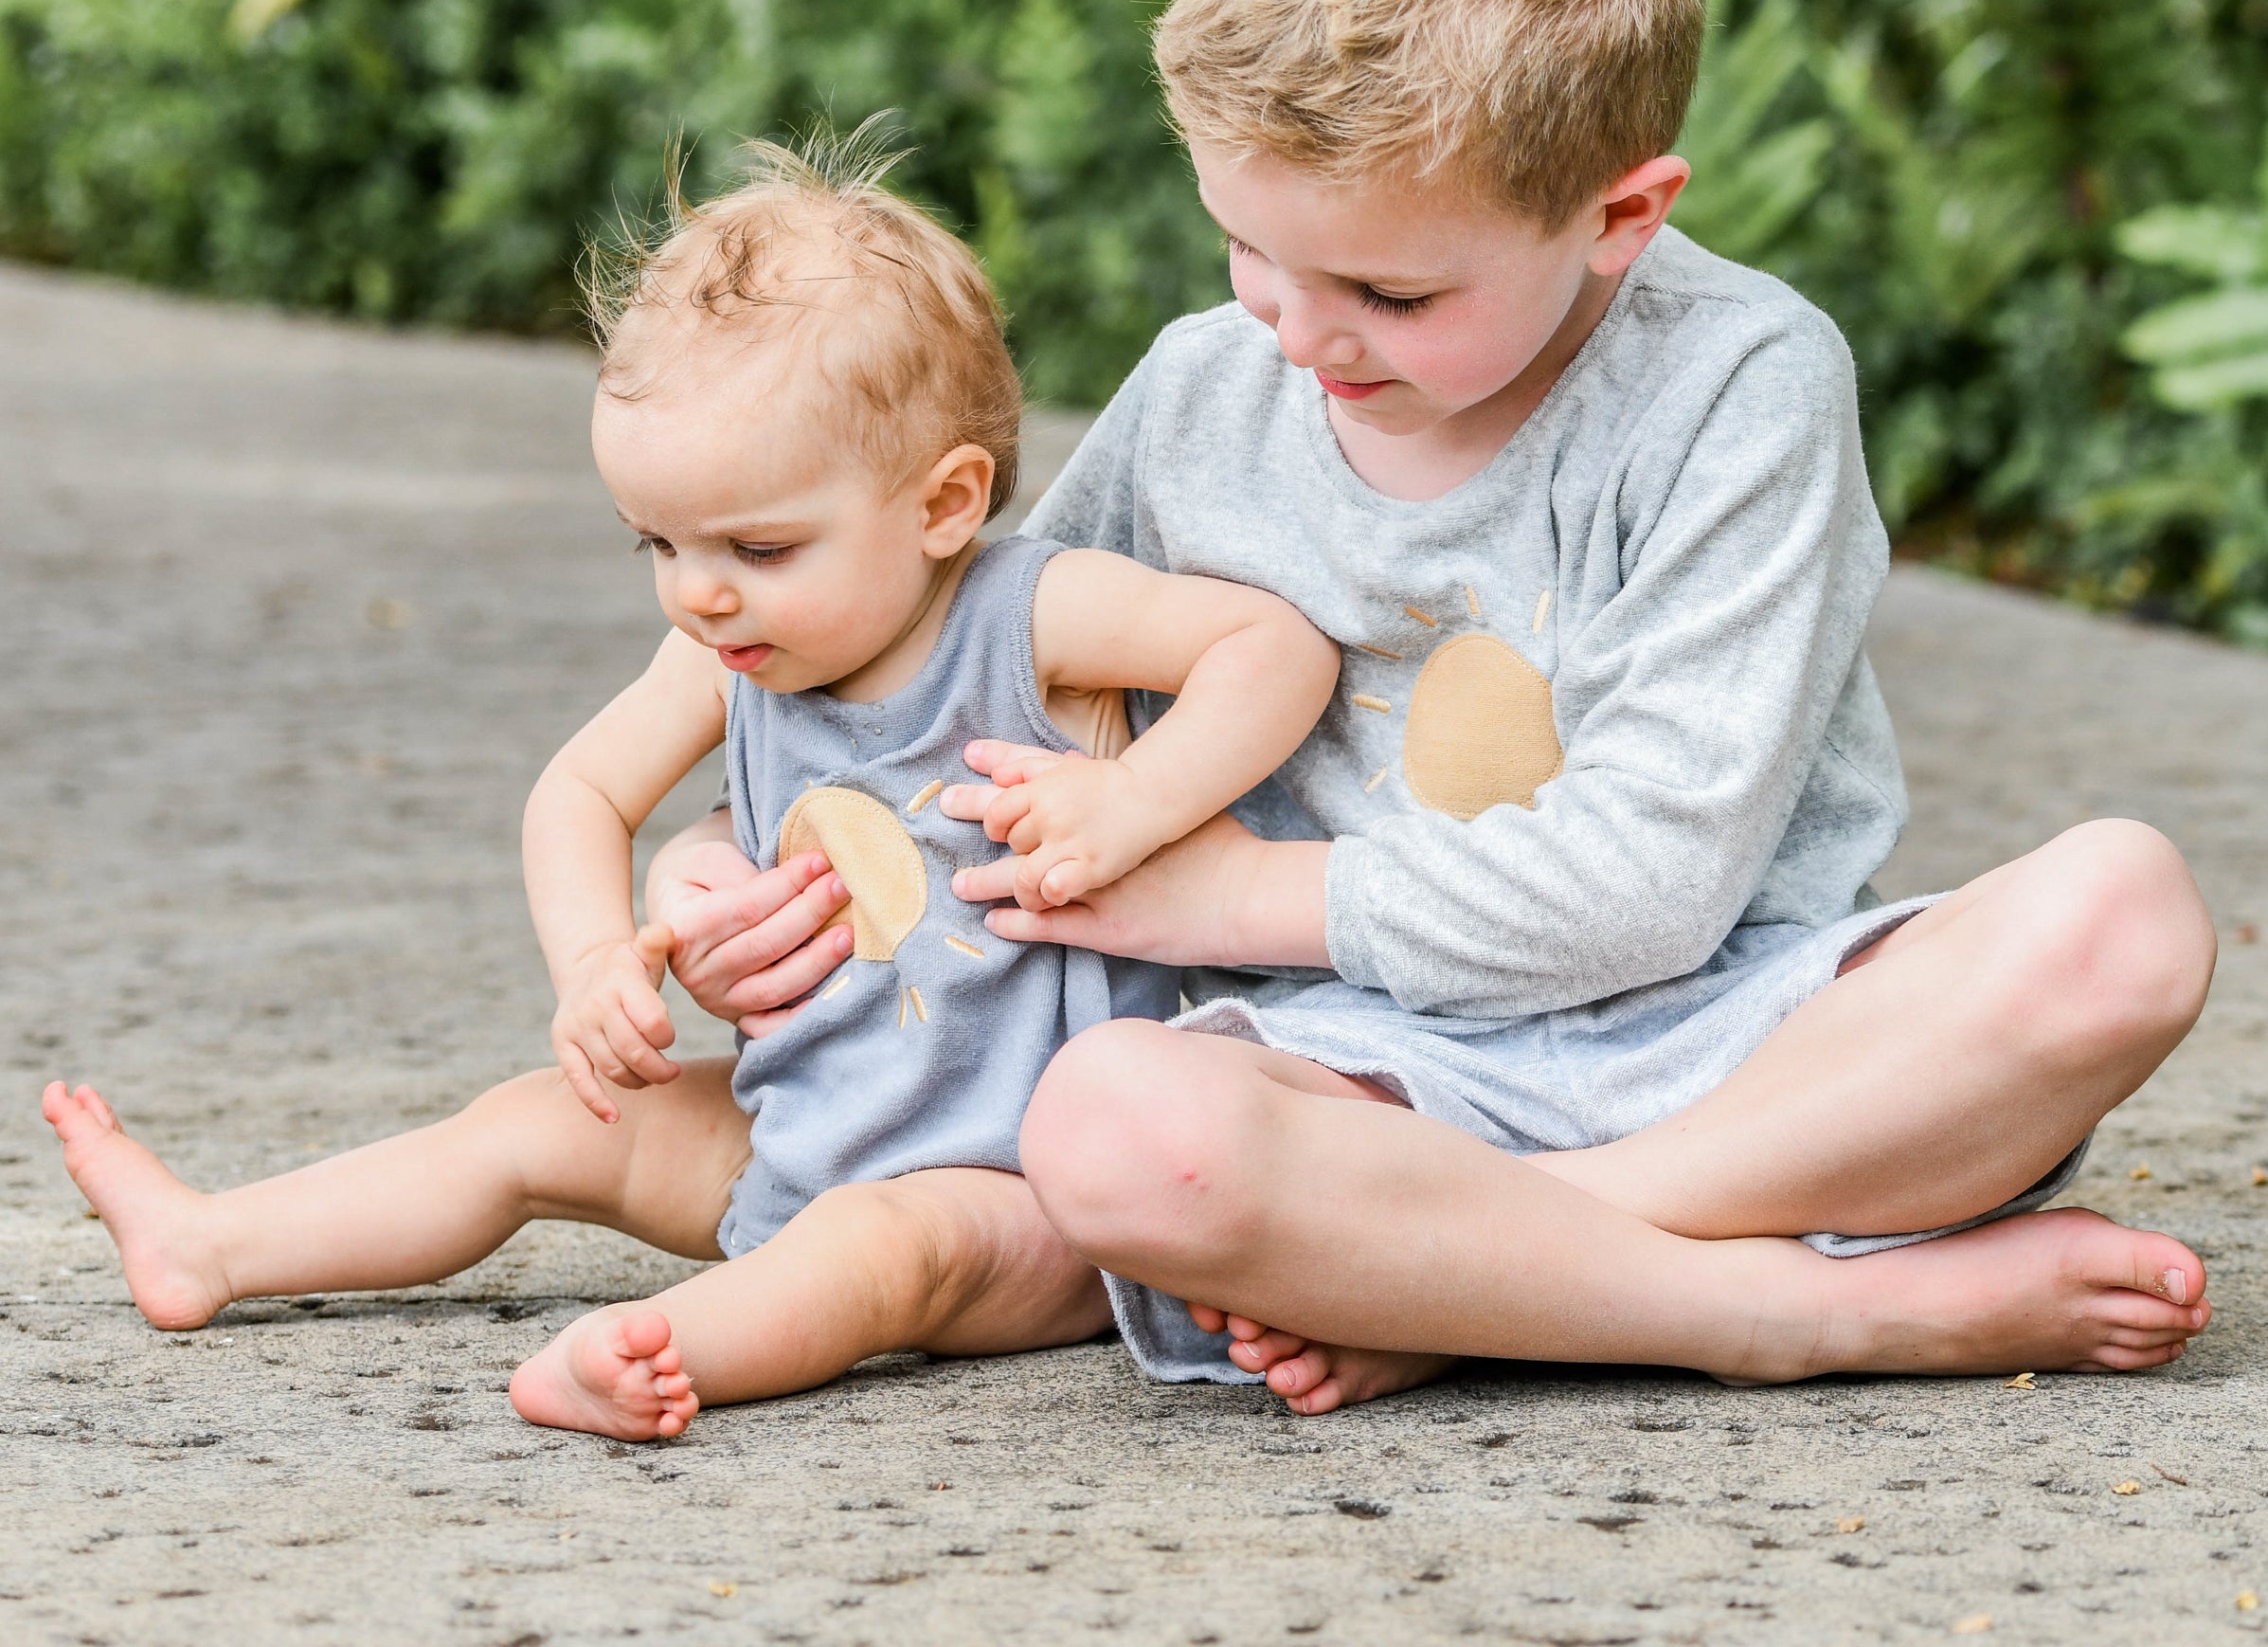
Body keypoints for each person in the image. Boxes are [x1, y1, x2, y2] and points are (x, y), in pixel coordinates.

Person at [645, 0, 2219, 1415]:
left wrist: (1245, 900)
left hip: (1741, 1049)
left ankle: (1523, 1280)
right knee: (1114, 1128)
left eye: (1388, 291)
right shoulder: (1202, 396)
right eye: (1248, 249)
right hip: (1361, 1090)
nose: (1299, 330)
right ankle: (1794, 1311)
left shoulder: (1740, 385)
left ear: (1620, 212)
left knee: (2121, 915)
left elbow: (1657, 881)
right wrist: (723, 870)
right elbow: (939, 684)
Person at [42, 144, 1340, 1440]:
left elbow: (1274, 649)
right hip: (789, 1131)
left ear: (944, 503)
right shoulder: (731, 652)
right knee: (536, 1126)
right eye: (657, 543)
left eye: (758, 547)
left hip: (1021, 1200)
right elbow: (578, 794)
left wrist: (1136, 802)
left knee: (882, 1251)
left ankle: (662, 1350)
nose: (699, 591)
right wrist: (596, 964)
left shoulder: (1031, 615)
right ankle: (210, 1244)